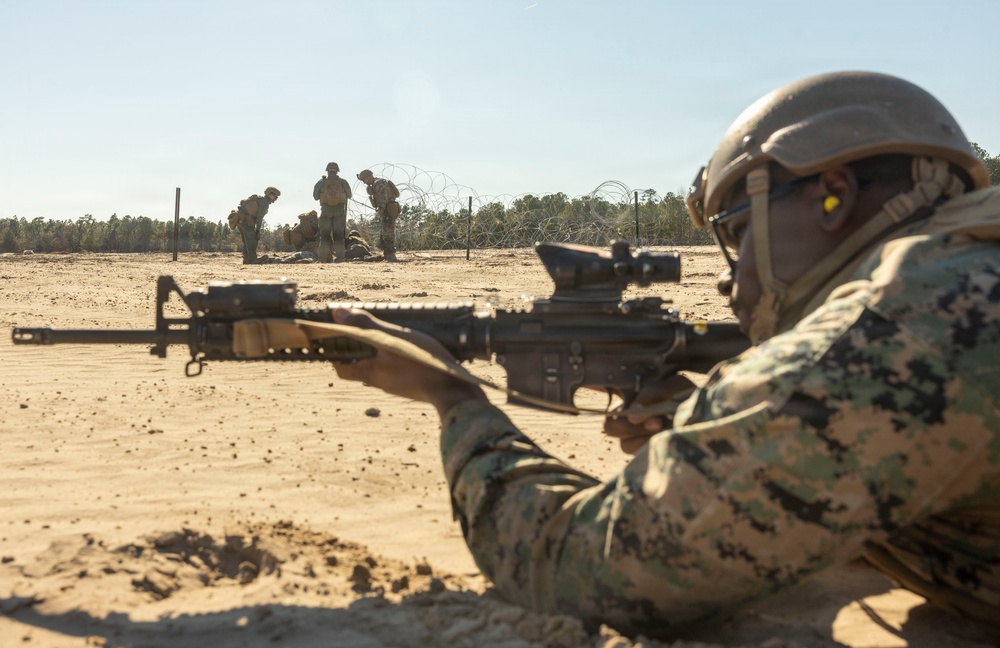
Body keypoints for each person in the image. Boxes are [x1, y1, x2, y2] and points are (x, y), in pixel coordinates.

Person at [329, 71, 1000, 636]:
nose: (729, 278)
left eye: (739, 232)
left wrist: (453, 399)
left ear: (834, 197)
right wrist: (716, 425)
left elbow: (582, 566)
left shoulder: (891, 328)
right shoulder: (961, 267)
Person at [357, 169, 401, 262]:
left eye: (364, 180)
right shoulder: (376, 184)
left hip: (388, 209)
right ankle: (387, 253)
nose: (364, 182)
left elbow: (383, 198)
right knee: (385, 233)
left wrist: (382, 208)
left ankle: (390, 255)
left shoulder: (379, 183)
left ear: (369, 177)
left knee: (388, 233)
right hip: (388, 209)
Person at [313, 162, 353, 263]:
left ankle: (322, 259)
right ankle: (340, 258)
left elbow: (315, 196)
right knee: (339, 236)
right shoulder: (343, 182)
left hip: (326, 212)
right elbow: (349, 195)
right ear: (337, 171)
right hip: (339, 212)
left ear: (327, 171)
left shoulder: (321, 182)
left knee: (324, 236)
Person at [234, 186, 280, 265]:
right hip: (246, 221)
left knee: (246, 240)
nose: (276, 199)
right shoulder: (265, 202)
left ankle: (246, 259)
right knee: (252, 239)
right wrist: (257, 231)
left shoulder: (260, 199)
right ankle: (251, 259)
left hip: (240, 219)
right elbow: (259, 218)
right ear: (271, 195)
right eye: (275, 196)